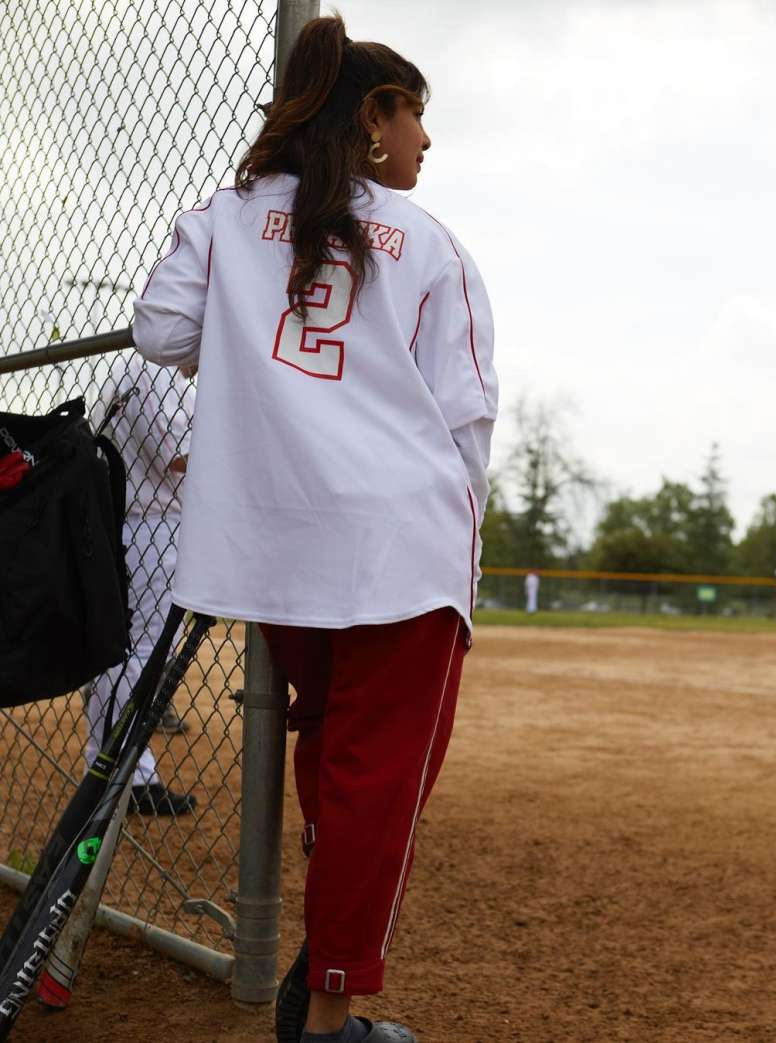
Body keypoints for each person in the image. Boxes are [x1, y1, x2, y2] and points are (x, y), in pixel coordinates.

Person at [131, 15, 497, 1043]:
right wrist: (457, 570)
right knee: (380, 782)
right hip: (396, 551)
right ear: (374, 119)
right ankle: (329, 1012)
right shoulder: (429, 241)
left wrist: (254, 341)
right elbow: (465, 419)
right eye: (416, 113)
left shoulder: (228, 211)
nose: (426, 140)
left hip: (269, 550)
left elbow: (161, 332)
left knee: (334, 752)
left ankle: (318, 953)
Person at [84, 352, 198, 816]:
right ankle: (126, 775)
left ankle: (114, 768)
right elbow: (178, 456)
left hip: (136, 523)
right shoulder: (153, 367)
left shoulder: (139, 366)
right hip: (150, 527)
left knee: (127, 655)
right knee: (138, 656)